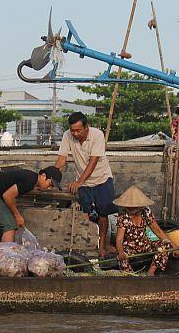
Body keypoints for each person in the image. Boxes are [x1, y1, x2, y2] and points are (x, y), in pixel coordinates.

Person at [55, 111, 119, 258]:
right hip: (83, 182)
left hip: (102, 179)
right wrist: (52, 179)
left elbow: (93, 162)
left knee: (103, 214)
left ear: (86, 127)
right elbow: (61, 161)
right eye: (73, 130)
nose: (75, 134)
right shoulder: (67, 136)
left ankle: (102, 247)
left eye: (78, 130)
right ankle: (88, 244)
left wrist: (79, 182)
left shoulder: (97, 135)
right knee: (88, 214)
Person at [0, 166, 62, 243]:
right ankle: (7, 258)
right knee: (10, 226)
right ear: (43, 176)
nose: (49, 188)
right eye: (50, 184)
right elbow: (7, 196)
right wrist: (17, 216)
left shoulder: (31, 178)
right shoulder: (30, 181)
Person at [113, 185, 178, 276]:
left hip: (145, 244)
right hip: (130, 247)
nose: (131, 209)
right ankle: (132, 276)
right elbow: (119, 239)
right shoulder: (123, 216)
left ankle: (151, 272)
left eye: (134, 207)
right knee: (121, 258)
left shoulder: (146, 212)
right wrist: (120, 252)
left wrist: (174, 247)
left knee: (165, 243)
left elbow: (158, 231)